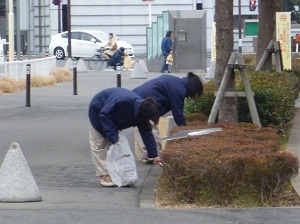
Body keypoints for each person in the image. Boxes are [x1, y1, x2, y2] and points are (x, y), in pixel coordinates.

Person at [88, 87, 160, 187]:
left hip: (113, 118)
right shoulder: (122, 100)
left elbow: (146, 132)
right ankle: (104, 174)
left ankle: (116, 173)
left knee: (115, 146)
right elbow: (104, 114)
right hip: (98, 110)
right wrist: (113, 137)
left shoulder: (142, 112)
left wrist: (154, 154)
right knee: (99, 144)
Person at [132, 72, 204, 162]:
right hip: (145, 102)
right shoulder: (179, 89)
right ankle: (152, 156)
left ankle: (150, 155)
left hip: (140, 97)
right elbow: (178, 114)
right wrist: (186, 130)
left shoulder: (176, 82)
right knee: (148, 127)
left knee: (146, 126)